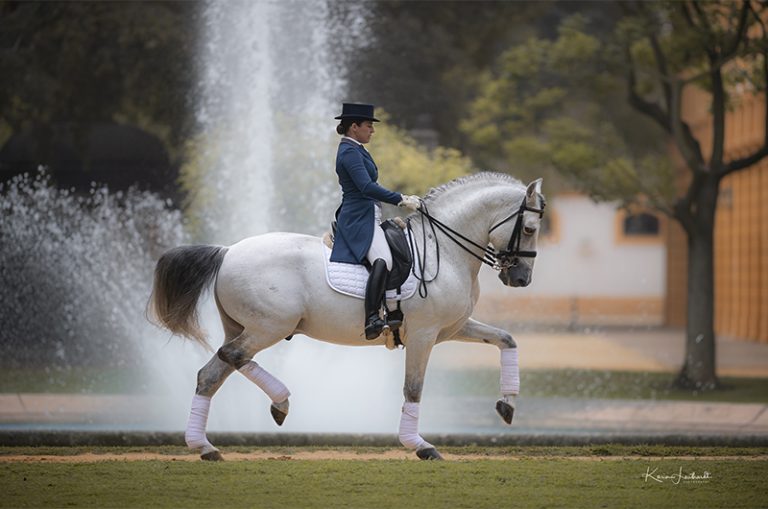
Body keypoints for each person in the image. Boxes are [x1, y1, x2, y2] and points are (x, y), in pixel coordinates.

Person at [330, 102, 421, 339]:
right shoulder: (349, 152)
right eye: (369, 125)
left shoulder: (357, 148)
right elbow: (366, 187)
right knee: (382, 259)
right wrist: (401, 199)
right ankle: (371, 317)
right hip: (357, 217)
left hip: (368, 215)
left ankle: (393, 311)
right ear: (353, 126)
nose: (372, 130)